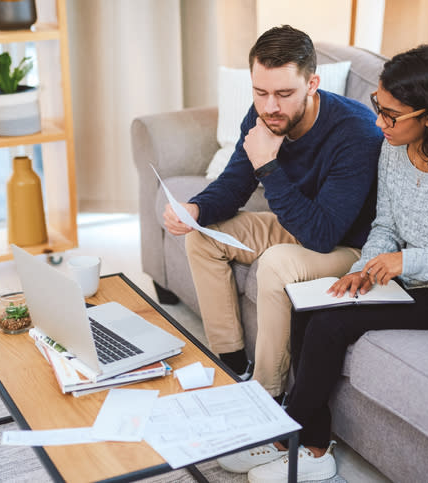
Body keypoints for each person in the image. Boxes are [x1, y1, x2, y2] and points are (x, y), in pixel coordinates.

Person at [222, 44, 428, 482]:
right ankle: (314, 448)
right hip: (410, 279)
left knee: (332, 324)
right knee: (310, 304)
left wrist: (405, 263)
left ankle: (290, 440)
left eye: (391, 115)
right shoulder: (395, 149)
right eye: (379, 106)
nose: (379, 123)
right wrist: (367, 266)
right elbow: (386, 225)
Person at [162, 25, 383, 399]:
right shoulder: (263, 114)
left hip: (350, 246)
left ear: (312, 83)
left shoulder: (355, 132)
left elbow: (322, 235)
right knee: (202, 236)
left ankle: (267, 394)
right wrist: (194, 208)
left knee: (277, 263)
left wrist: (268, 166)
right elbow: (235, 183)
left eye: (284, 94)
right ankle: (232, 366)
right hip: (301, 224)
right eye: (260, 92)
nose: (269, 107)